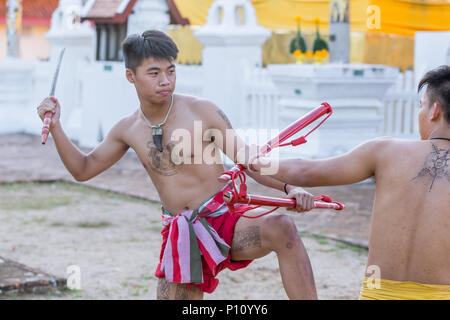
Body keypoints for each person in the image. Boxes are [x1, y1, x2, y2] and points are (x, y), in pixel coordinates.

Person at [37, 30, 318, 300]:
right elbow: (83, 169)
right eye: (154, 73)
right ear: (130, 76)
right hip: (181, 233)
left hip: (225, 219)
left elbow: (248, 160)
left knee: (282, 227)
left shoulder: (203, 111)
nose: (165, 81)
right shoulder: (127, 129)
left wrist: (289, 187)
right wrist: (57, 126)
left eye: (171, 71)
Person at [240, 65, 450, 300]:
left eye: (421, 106)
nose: (419, 113)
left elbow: (305, 172)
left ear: (434, 110)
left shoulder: (385, 151)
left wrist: (256, 160)